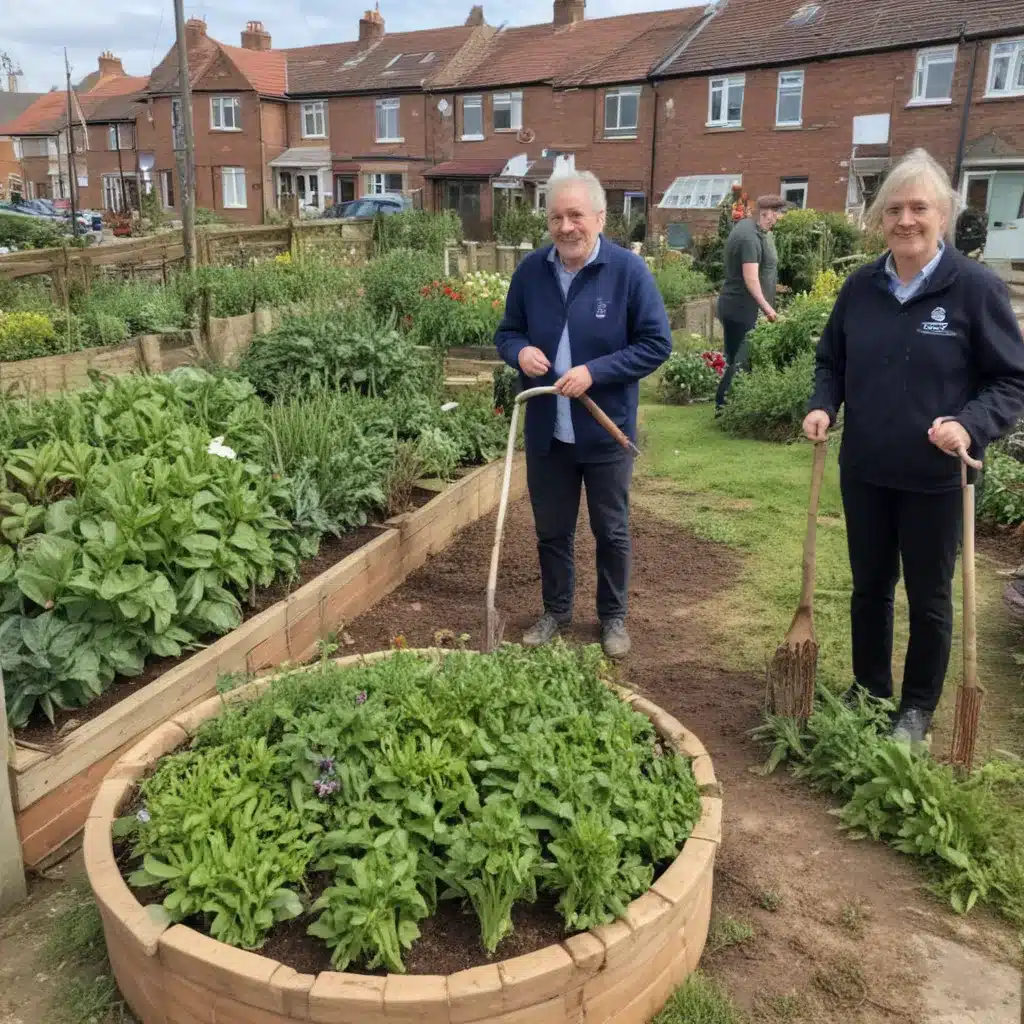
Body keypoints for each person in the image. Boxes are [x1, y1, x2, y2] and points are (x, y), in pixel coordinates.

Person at [803, 148, 1024, 744]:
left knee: (929, 598)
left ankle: (917, 706)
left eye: (919, 207)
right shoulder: (861, 288)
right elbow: (832, 361)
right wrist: (824, 403)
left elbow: (1012, 380)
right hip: (867, 469)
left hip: (937, 477)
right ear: (879, 219)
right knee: (869, 586)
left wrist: (971, 425)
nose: (906, 220)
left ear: (944, 215)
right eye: (894, 208)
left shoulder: (975, 289)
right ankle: (870, 689)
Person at [494, 170, 672, 659]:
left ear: (599, 218)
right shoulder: (532, 272)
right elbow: (507, 332)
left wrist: (595, 372)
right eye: (556, 217)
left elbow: (657, 344)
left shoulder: (627, 272)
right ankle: (556, 611)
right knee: (551, 528)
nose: (566, 226)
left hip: (604, 429)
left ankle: (612, 618)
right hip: (548, 430)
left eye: (576, 216)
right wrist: (520, 352)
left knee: (610, 529)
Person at [715, 195, 786, 411]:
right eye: (778, 214)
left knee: (737, 358)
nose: (779, 219)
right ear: (767, 213)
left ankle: (734, 405)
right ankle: (723, 408)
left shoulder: (754, 229)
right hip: (742, 308)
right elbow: (751, 278)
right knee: (741, 361)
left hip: (738, 306)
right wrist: (768, 308)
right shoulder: (749, 238)